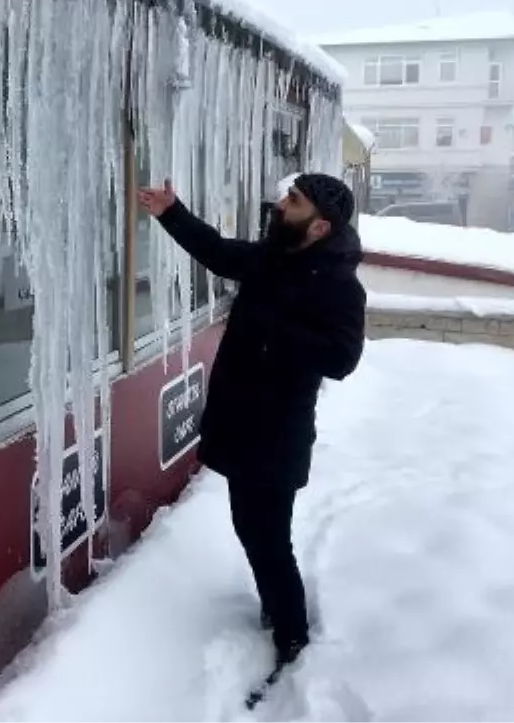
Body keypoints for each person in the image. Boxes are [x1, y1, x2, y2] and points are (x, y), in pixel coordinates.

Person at [139, 172, 366, 678]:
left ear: (320, 226)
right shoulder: (273, 256)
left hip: (278, 432)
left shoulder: (338, 285)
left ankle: (291, 637)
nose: (281, 204)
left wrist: (274, 328)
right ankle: (275, 605)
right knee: (251, 528)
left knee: (269, 537)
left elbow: (343, 358)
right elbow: (217, 251)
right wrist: (171, 211)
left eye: (295, 201)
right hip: (242, 420)